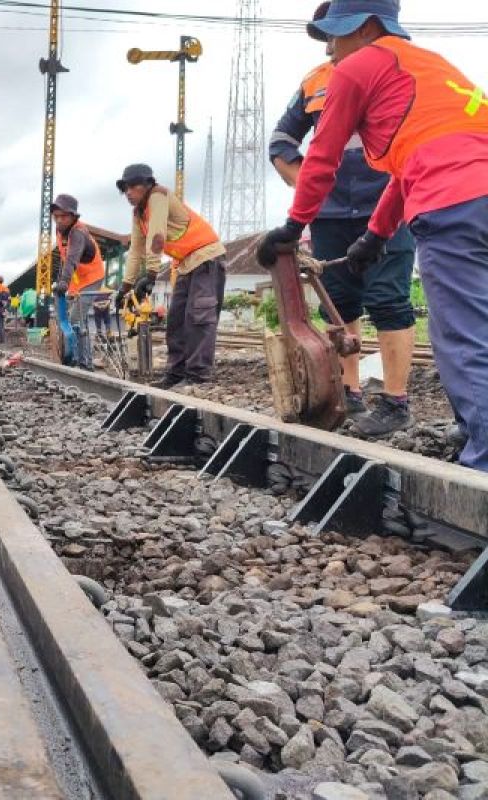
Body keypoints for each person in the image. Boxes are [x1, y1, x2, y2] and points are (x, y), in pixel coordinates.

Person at [257, 0, 488, 471]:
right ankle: (472, 426)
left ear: (364, 28)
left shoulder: (358, 66)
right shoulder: (430, 65)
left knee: (463, 336)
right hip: (470, 190)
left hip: (455, 204)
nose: (331, 51)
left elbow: (320, 158)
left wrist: (293, 226)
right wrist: (376, 236)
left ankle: (482, 469)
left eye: (334, 37)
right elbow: (410, 164)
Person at [268, 1, 417, 436]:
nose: (331, 46)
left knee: (389, 299)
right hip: (330, 215)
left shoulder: (400, 69)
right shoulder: (314, 82)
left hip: (387, 206)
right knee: (340, 303)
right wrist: (306, 186)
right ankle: (349, 393)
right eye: (327, 37)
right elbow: (281, 138)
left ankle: (395, 402)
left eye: (336, 34)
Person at [117, 163, 226, 388]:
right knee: (176, 321)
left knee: (198, 317)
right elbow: (136, 250)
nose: (128, 192)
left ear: (147, 185)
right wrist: (125, 288)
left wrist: (151, 274)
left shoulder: (157, 196)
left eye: (133, 186)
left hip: (206, 257)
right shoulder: (138, 213)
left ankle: (198, 377)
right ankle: (176, 374)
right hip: (186, 263)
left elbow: (157, 235)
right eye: (125, 188)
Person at [50, 193, 106, 369]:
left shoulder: (78, 233)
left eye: (63, 216)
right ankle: (75, 358)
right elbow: (64, 258)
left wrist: (64, 282)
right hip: (77, 279)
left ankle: (85, 363)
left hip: (92, 276)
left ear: (73, 216)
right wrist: (60, 281)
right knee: (68, 318)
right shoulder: (60, 231)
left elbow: (72, 258)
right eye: (56, 216)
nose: (59, 220)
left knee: (75, 318)